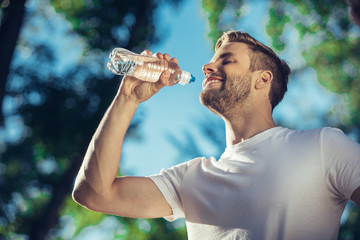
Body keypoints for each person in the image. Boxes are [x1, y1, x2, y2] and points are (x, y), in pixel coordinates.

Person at [72, 31, 360, 239]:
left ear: (262, 79)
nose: (208, 66)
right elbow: (95, 194)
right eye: (212, 61)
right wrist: (127, 97)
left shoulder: (321, 147)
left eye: (227, 60)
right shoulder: (190, 178)